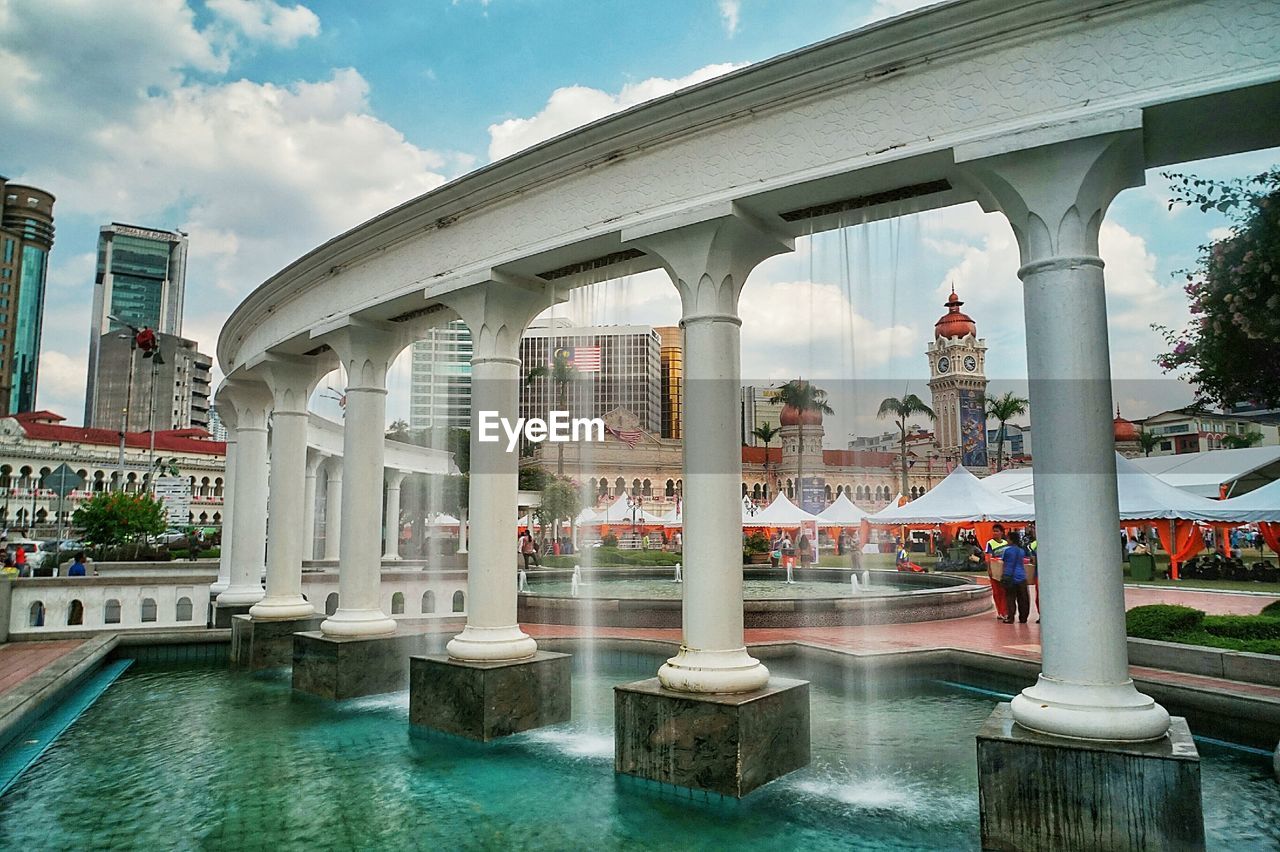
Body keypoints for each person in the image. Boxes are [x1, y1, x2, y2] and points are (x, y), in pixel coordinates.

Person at [1000, 531, 1031, 623]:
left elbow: (1004, 563)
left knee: (1010, 598)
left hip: (1009, 577)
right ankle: (1023, 618)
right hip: (1021, 577)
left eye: (1008, 539)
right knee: (1023, 599)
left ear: (1012, 540)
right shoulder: (1021, 551)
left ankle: (1011, 618)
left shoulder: (1006, 550)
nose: (1007, 540)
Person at [985, 524, 1010, 621]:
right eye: (994, 531)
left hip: (1003, 569)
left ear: (1002, 532)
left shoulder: (1005, 543)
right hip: (994, 569)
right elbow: (988, 558)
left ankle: (1004, 611)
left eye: (997, 531)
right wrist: (989, 570)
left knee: (1004, 591)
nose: (995, 533)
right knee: (996, 592)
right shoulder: (990, 543)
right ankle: (999, 611)